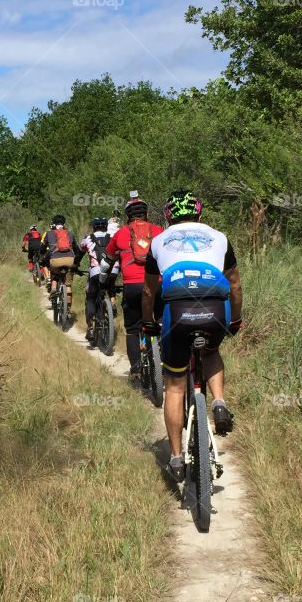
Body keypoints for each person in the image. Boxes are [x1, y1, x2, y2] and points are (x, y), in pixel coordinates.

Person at [141, 190, 243, 482]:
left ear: (169, 215)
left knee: (174, 386)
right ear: (200, 212)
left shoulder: (159, 241)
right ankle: (219, 403)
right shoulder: (220, 237)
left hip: (178, 310)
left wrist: (148, 323)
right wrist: (235, 319)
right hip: (214, 307)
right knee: (210, 352)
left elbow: (149, 292)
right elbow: (235, 286)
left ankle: (175, 458)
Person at [99, 192, 163, 377]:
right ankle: (166, 364)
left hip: (133, 287)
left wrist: (104, 280)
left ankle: (135, 370)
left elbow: (106, 263)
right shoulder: (158, 230)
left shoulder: (120, 233)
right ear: (147, 215)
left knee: (133, 329)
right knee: (162, 321)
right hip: (157, 284)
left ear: (128, 217)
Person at [78, 216, 116, 343]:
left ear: (93, 227)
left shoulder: (88, 239)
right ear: (105, 226)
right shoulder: (112, 238)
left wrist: (74, 264)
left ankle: (90, 328)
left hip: (95, 272)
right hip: (112, 271)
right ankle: (112, 302)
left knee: (90, 297)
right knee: (110, 284)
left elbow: (79, 252)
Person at [41, 214, 83, 317]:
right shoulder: (70, 233)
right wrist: (76, 263)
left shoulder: (49, 234)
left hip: (55, 261)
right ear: (64, 224)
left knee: (54, 273)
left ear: (53, 223)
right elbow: (77, 250)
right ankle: (68, 310)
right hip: (69, 260)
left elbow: (42, 249)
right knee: (68, 285)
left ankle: (54, 289)